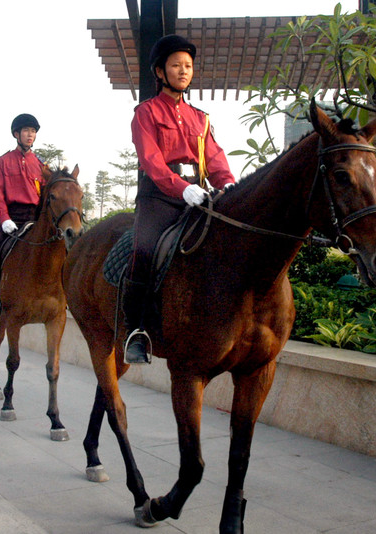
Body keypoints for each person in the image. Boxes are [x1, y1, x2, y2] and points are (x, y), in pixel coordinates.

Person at [124, 34, 236, 364]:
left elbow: (214, 157)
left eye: (188, 65)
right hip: (160, 197)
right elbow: (151, 160)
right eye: (176, 65)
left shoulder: (200, 118)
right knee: (143, 249)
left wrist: (227, 183)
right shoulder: (145, 112)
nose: (183, 71)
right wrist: (179, 187)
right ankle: (137, 330)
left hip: (200, 194)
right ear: (160, 72)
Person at [0, 113, 47, 315]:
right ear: (16, 134)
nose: (30, 135)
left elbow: (44, 195)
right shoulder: (4, 161)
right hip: (12, 216)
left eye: (33, 131)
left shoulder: (40, 164)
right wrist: (4, 219)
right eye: (27, 131)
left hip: (35, 217)